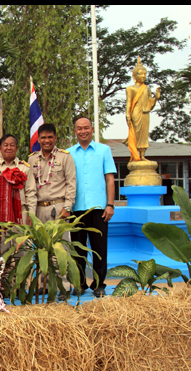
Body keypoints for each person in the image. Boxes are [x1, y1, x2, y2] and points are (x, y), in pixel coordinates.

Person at [67, 117, 116, 298]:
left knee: (99, 248)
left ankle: (99, 284)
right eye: (79, 128)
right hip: (76, 208)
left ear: (92, 129)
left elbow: (110, 179)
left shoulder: (104, 150)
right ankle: (79, 283)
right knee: (78, 249)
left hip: (98, 208)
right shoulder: (68, 153)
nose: (83, 131)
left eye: (86, 128)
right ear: (75, 131)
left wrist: (110, 205)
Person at [28, 123, 76, 298]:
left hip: (59, 208)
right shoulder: (32, 159)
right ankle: (45, 284)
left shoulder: (65, 158)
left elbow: (71, 183)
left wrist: (68, 207)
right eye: (43, 137)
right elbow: (31, 189)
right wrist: (31, 214)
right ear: (38, 139)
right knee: (41, 248)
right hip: (40, 209)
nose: (46, 141)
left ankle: (64, 286)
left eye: (50, 137)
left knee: (60, 248)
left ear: (55, 138)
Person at [122, 56, 161, 162]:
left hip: (145, 113)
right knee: (136, 133)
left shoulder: (147, 88)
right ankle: (135, 155)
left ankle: (142, 155)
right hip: (136, 113)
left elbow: (149, 102)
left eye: (145, 74)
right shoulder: (130, 88)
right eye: (140, 74)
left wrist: (156, 98)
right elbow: (129, 102)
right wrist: (127, 114)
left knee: (144, 134)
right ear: (134, 76)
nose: (143, 76)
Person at [0, 134, 37, 225]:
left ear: (16, 148)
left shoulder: (24, 168)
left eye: (12, 145)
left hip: (20, 213)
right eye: (5, 145)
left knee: (21, 239)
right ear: (0, 149)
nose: (9, 148)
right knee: (0, 239)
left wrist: (31, 214)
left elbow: (31, 193)